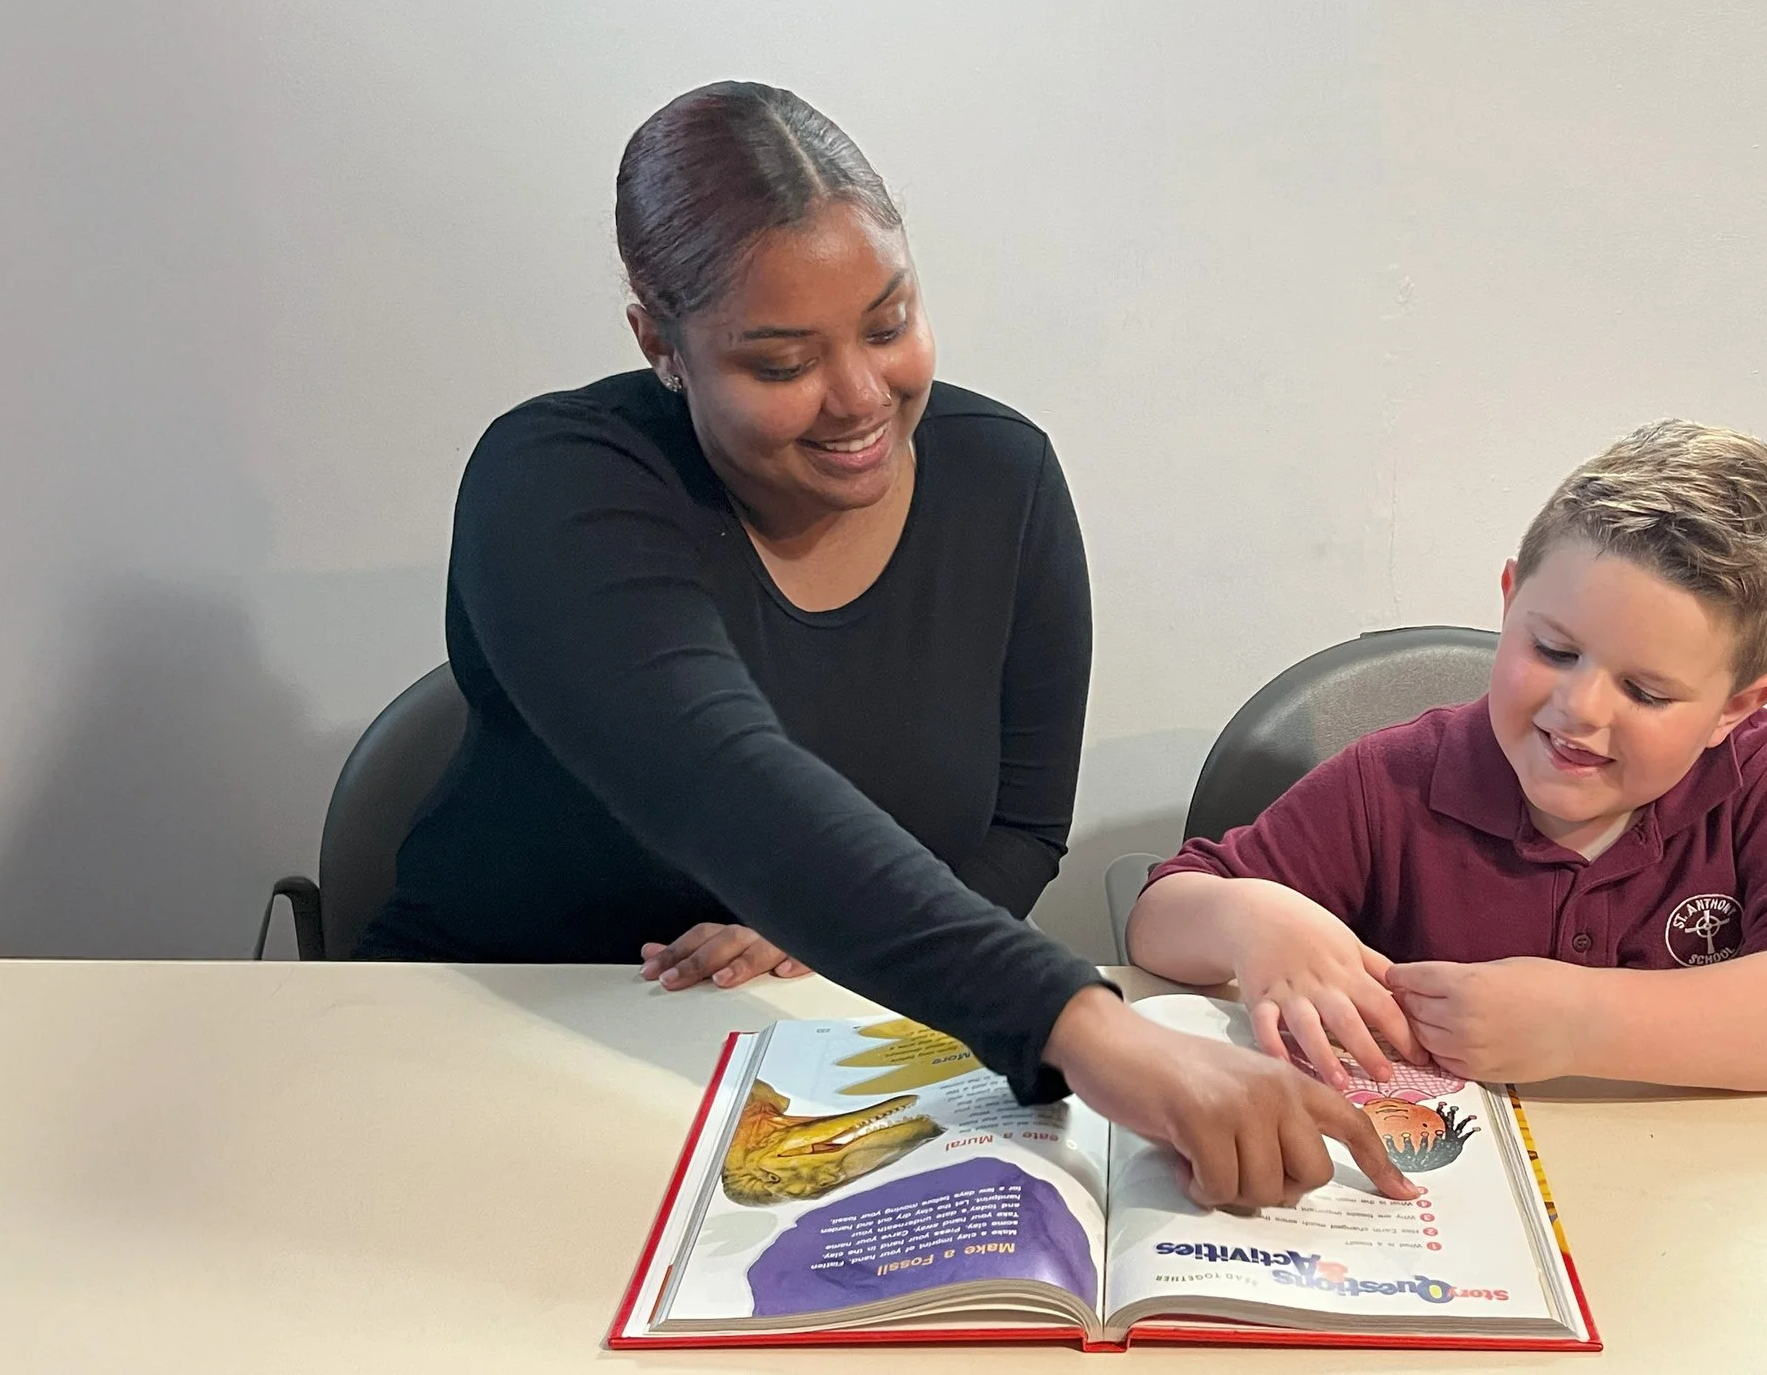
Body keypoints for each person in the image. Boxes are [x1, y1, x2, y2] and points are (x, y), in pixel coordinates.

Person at [354, 80, 1411, 1209]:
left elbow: (1019, 826)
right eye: (779, 363)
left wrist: (823, 928)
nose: (860, 397)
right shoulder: (555, 483)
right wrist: (1093, 1033)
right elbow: (717, 779)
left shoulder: (1002, 476)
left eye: (889, 322)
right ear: (659, 342)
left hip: (812, 1065)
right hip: (487, 1041)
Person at [1126, 420, 1767, 1093]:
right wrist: (1249, 920)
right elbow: (1160, 919)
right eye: (1553, 649)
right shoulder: (1395, 781)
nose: (1579, 709)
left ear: (1734, 708)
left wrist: (1581, 1023)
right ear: (1510, 598)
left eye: (1647, 694)